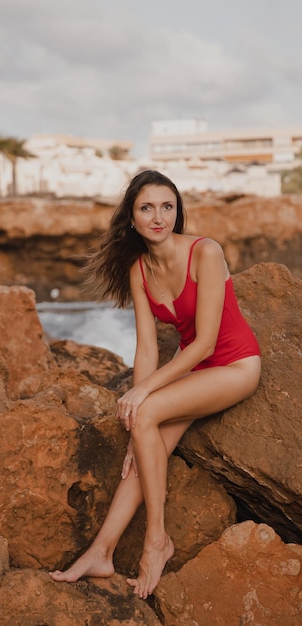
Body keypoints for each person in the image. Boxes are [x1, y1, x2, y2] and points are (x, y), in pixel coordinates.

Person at [49, 170, 261, 599]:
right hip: (195, 373)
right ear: (132, 217)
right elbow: (146, 351)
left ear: (178, 210)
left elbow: (202, 344)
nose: (159, 216)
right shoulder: (138, 271)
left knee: (143, 413)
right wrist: (137, 420)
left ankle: (156, 542)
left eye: (168, 206)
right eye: (147, 208)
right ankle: (100, 552)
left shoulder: (206, 252)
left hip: (236, 367)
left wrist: (142, 395)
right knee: (143, 445)